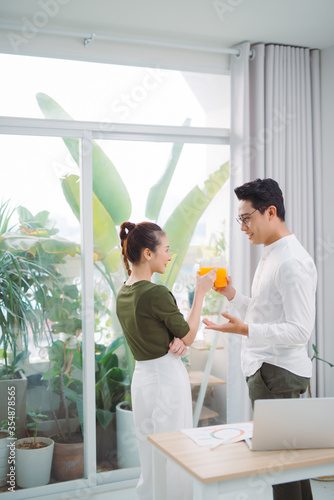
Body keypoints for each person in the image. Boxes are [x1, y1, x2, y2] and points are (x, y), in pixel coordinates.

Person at [203, 178, 317, 500]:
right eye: (239, 219)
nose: (243, 227)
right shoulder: (272, 253)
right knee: (289, 465)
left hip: (276, 373)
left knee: (280, 468)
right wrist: (233, 295)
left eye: (246, 218)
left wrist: (245, 330)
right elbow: (265, 311)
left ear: (270, 212)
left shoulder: (291, 262)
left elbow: (299, 330)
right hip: (269, 370)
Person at [116, 221, 216, 500]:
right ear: (148, 254)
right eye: (166, 250)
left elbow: (159, 334)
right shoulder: (155, 292)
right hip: (167, 382)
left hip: (143, 381)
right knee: (176, 451)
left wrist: (177, 340)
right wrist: (201, 293)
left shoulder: (124, 291)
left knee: (150, 451)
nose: (170, 256)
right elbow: (190, 334)